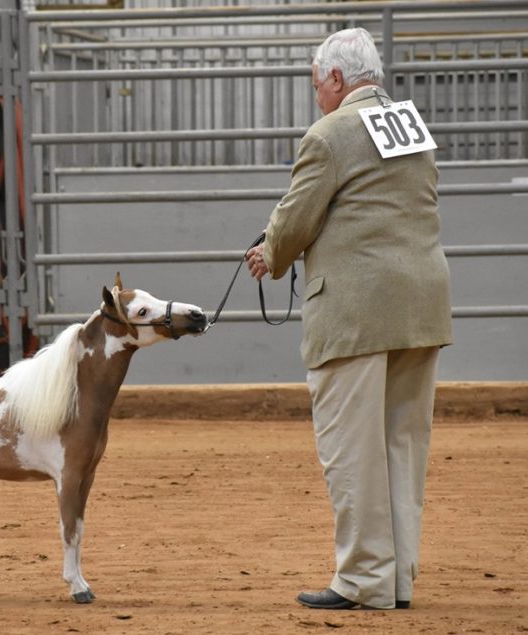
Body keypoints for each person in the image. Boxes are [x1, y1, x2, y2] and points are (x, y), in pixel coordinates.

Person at [246, 27, 452, 610]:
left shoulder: (330, 134)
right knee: (402, 447)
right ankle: (398, 580)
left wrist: (272, 254)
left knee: (353, 451)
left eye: (318, 85)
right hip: (422, 303)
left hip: (358, 312)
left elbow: (296, 218)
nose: (317, 96)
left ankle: (363, 580)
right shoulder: (412, 126)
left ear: (337, 79)